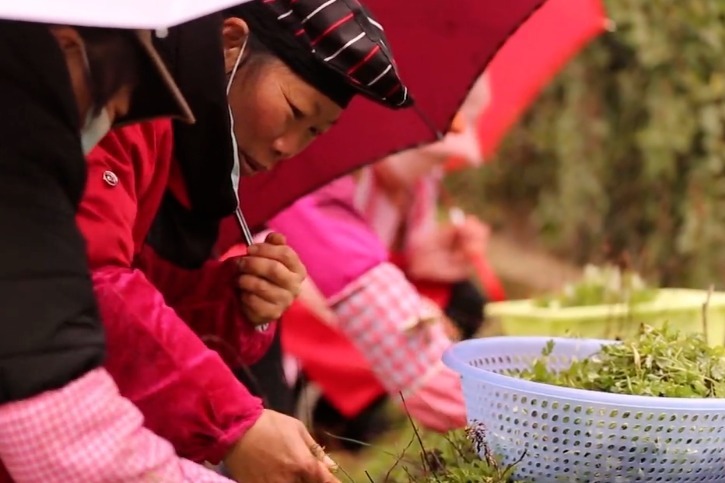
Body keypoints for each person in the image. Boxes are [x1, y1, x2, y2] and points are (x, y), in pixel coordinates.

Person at [76, 1, 412, 481]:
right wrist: (234, 422)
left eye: (314, 131)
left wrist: (237, 300)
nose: (287, 147)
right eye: (294, 111)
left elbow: (152, 292)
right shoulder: (126, 103)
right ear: (229, 44)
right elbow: (88, 284)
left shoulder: (192, 154)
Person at [0, 21, 232, 481]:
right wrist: (235, 423)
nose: (120, 111)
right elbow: (59, 428)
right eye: (111, 97)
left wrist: (234, 303)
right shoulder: (18, 178)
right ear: (66, 47)